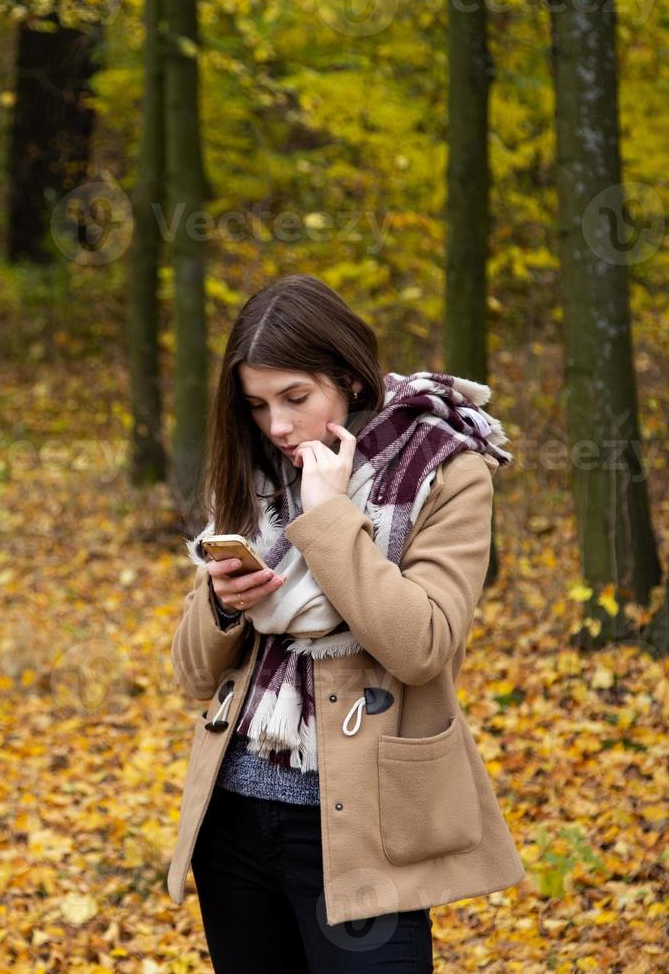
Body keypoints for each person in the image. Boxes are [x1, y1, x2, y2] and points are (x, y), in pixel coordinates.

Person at [164, 274, 526, 973]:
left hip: (363, 822)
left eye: (295, 398)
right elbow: (189, 674)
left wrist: (327, 517)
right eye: (257, 405)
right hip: (232, 818)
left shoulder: (446, 470)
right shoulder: (254, 469)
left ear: (351, 378)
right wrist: (222, 603)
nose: (276, 425)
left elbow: (422, 645)